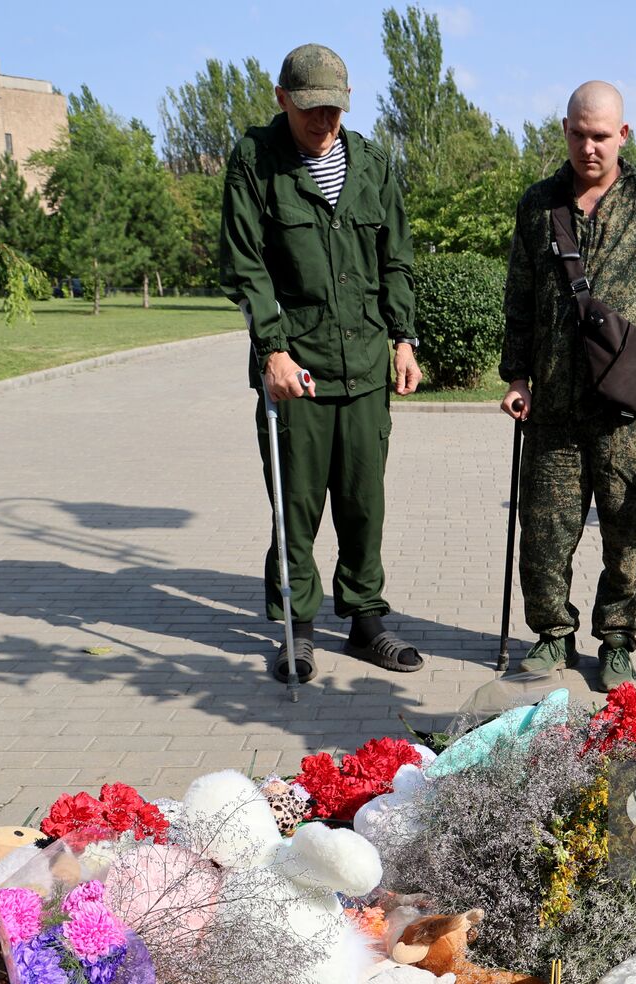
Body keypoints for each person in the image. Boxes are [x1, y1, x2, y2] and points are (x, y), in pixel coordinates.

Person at [500, 80, 636, 692]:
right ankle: (552, 635)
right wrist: (517, 376)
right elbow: (519, 298)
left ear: (623, 135)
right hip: (552, 405)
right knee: (545, 529)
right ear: (564, 130)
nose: (589, 147)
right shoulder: (539, 205)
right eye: (578, 134)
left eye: (601, 136)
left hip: (628, 406)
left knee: (628, 528)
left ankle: (617, 639)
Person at [219, 43, 424, 682]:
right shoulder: (255, 162)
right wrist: (271, 350)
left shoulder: (371, 164)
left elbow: (396, 258)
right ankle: (297, 630)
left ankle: (365, 623)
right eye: (311, 109)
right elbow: (243, 264)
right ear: (282, 99)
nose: (324, 121)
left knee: (364, 502)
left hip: (365, 363)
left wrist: (404, 339)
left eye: (334, 109)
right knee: (298, 505)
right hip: (296, 369)